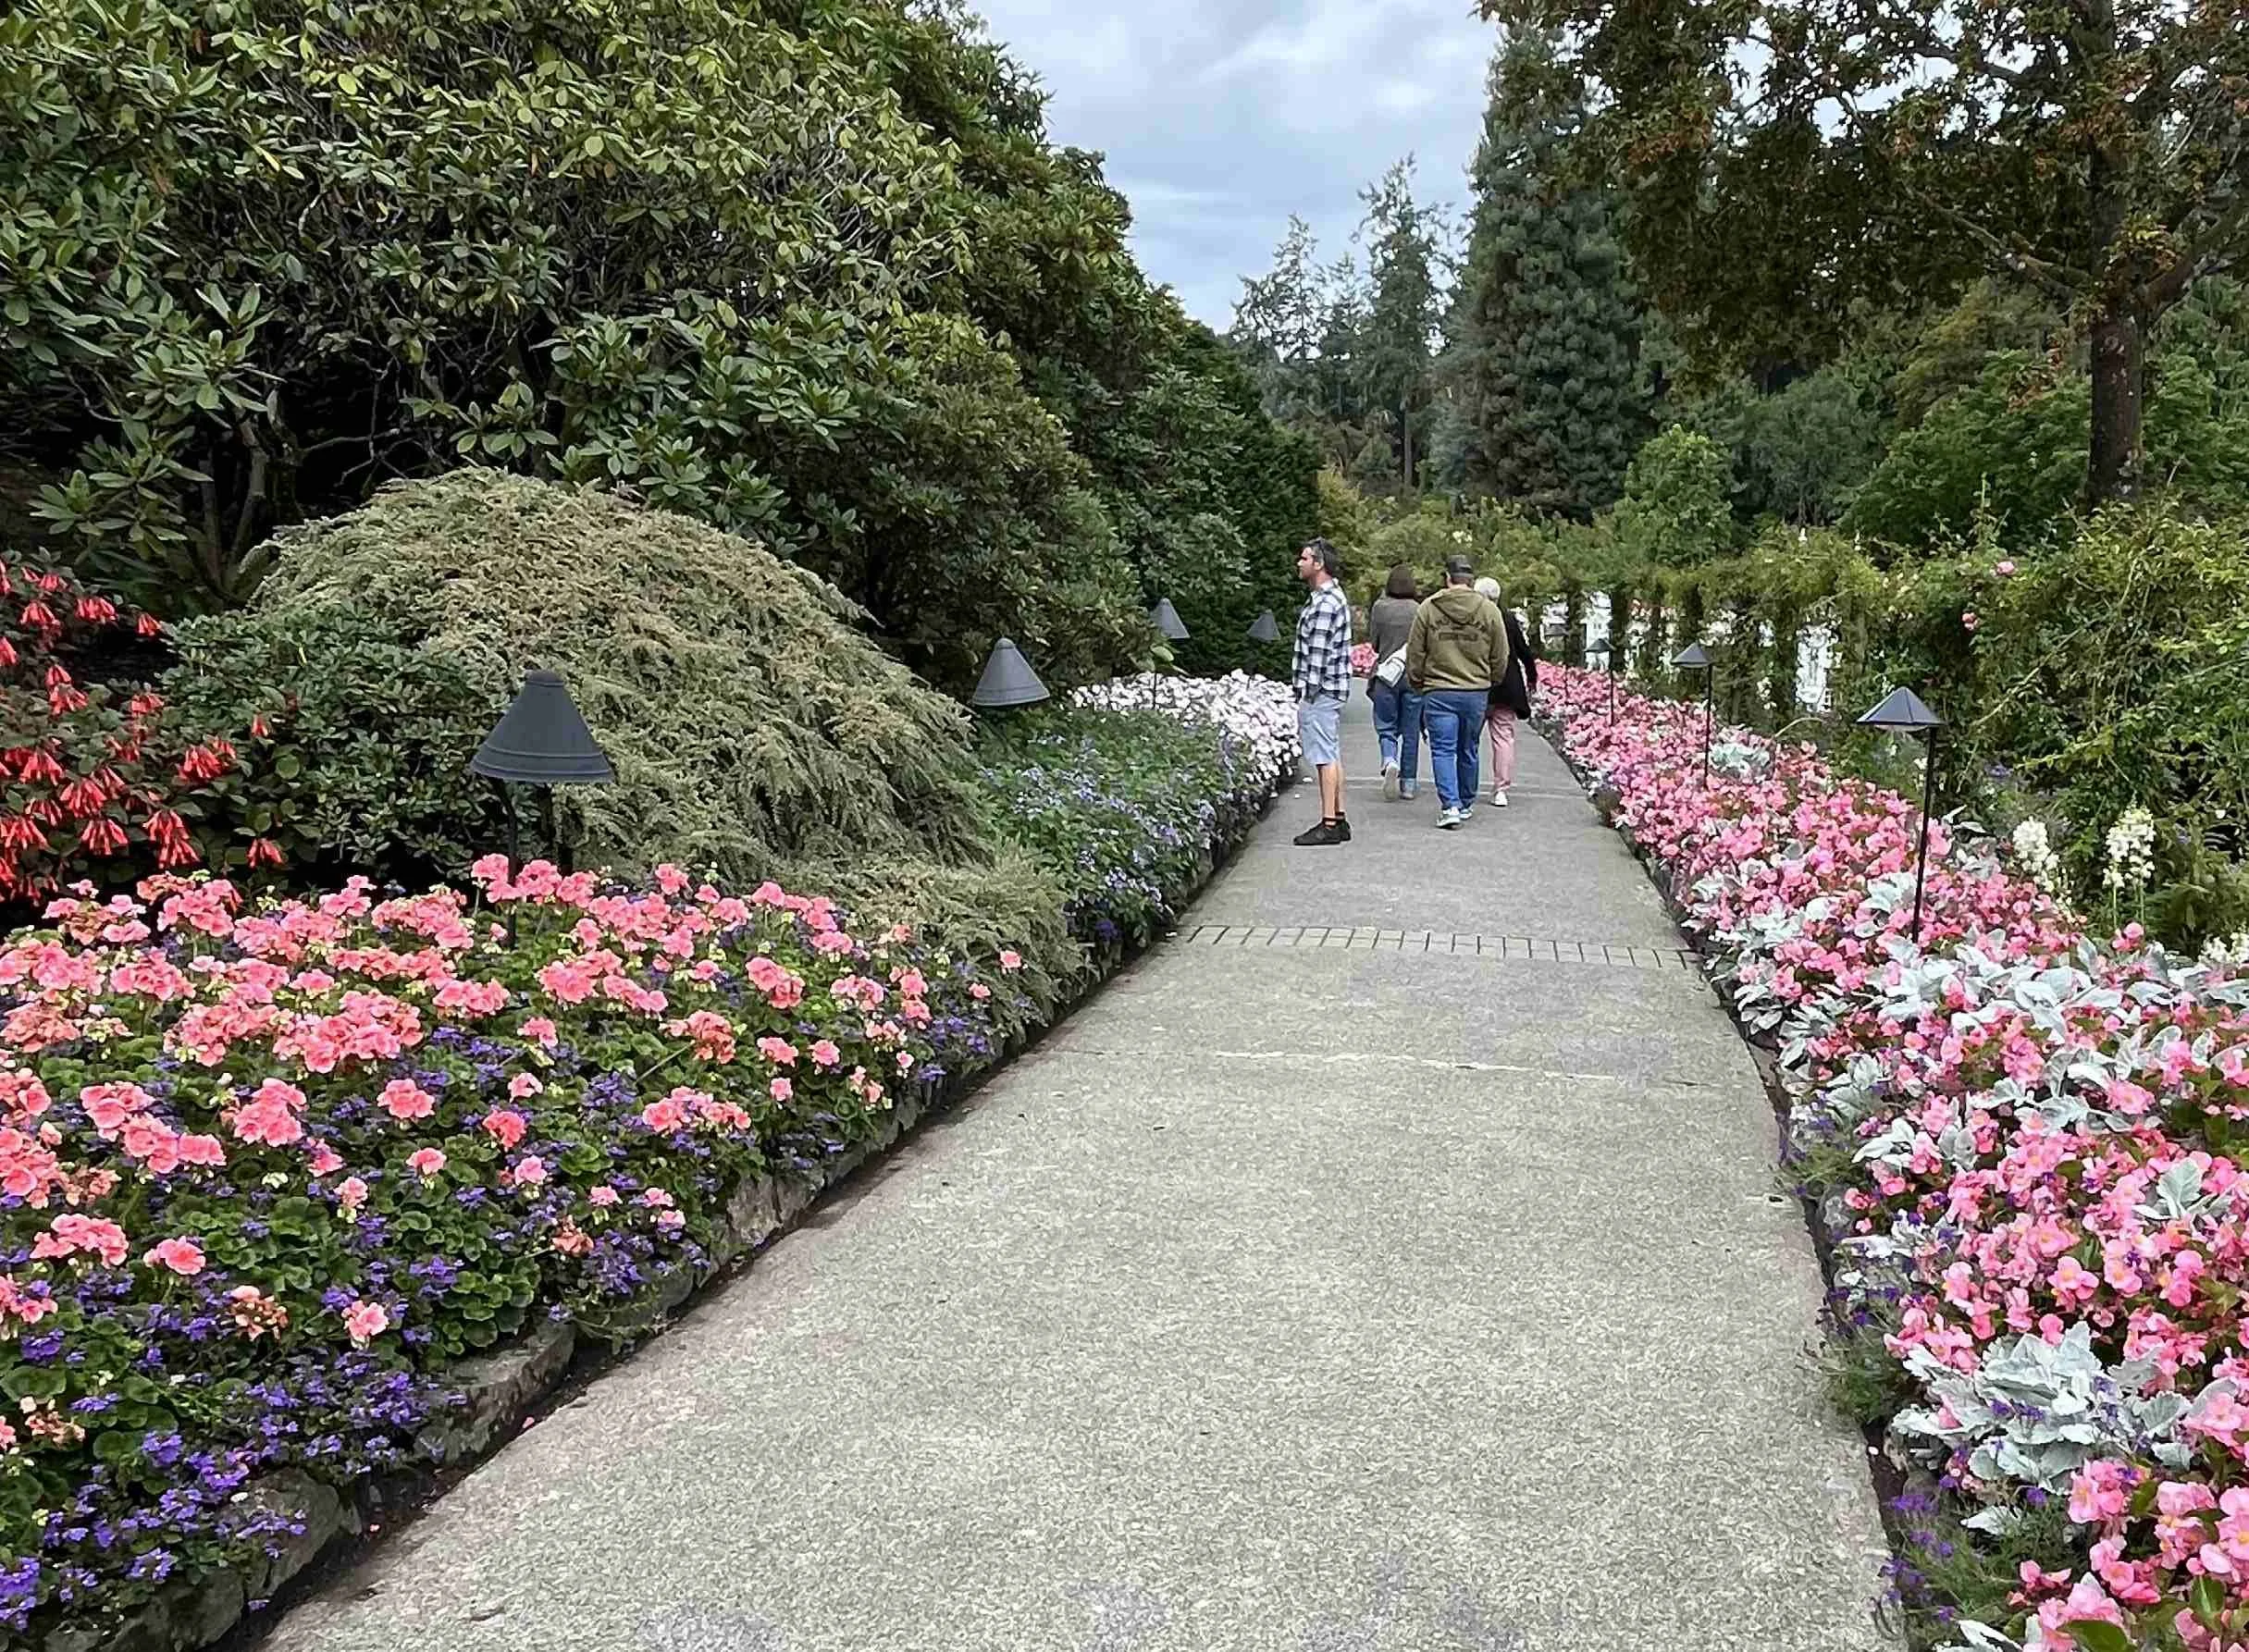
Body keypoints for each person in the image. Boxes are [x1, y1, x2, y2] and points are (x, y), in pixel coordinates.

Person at [1404, 556, 1509, 830]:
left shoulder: (1428, 609)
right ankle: (1465, 802)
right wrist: (1491, 680)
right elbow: (1501, 654)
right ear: (1470, 580)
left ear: (1446, 578)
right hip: (1476, 690)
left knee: (1442, 749)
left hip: (1439, 690)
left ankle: (1449, 805)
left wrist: (1417, 681)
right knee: (1469, 748)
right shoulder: (1489, 611)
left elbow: (1415, 651)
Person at [1291, 537, 1353, 846]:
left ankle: (1329, 824)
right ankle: (1338, 819)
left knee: (1323, 756)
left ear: (1319, 564)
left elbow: (1317, 657)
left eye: (1304, 558)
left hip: (1322, 692)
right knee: (1332, 752)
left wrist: (1305, 694)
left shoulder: (1324, 604)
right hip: (1332, 690)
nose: (1299, 563)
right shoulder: (1330, 597)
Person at [1474, 579, 1539, 808]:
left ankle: (1467, 785)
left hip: (1478, 685)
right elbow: (1524, 651)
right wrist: (1532, 677)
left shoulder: (1474, 618)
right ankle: (1501, 789)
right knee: (1503, 739)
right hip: (1507, 687)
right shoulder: (1508, 618)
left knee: (1469, 738)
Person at [1366, 564, 1419, 799]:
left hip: (1386, 675)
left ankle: (1389, 759)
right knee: (1411, 731)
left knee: (1386, 726)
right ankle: (1408, 783)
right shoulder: (1419, 610)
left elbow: (1375, 643)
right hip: (1414, 676)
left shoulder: (1380, 608)